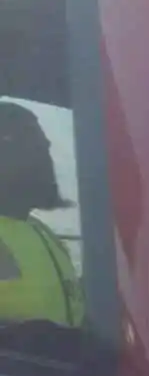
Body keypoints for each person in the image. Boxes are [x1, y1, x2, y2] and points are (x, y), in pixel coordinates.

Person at [0, 101, 82, 327]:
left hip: (75, 360)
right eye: (32, 146)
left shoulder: (41, 230)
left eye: (43, 147)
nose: (46, 155)